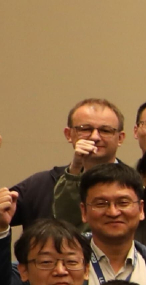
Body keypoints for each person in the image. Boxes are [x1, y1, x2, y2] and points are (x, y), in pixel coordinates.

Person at [11, 97, 125, 229]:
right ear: (68, 134)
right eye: (85, 129)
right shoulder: (40, 184)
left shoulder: (136, 184)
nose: (95, 137)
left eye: (105, 130)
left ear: (120, 138)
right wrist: (75, 168)